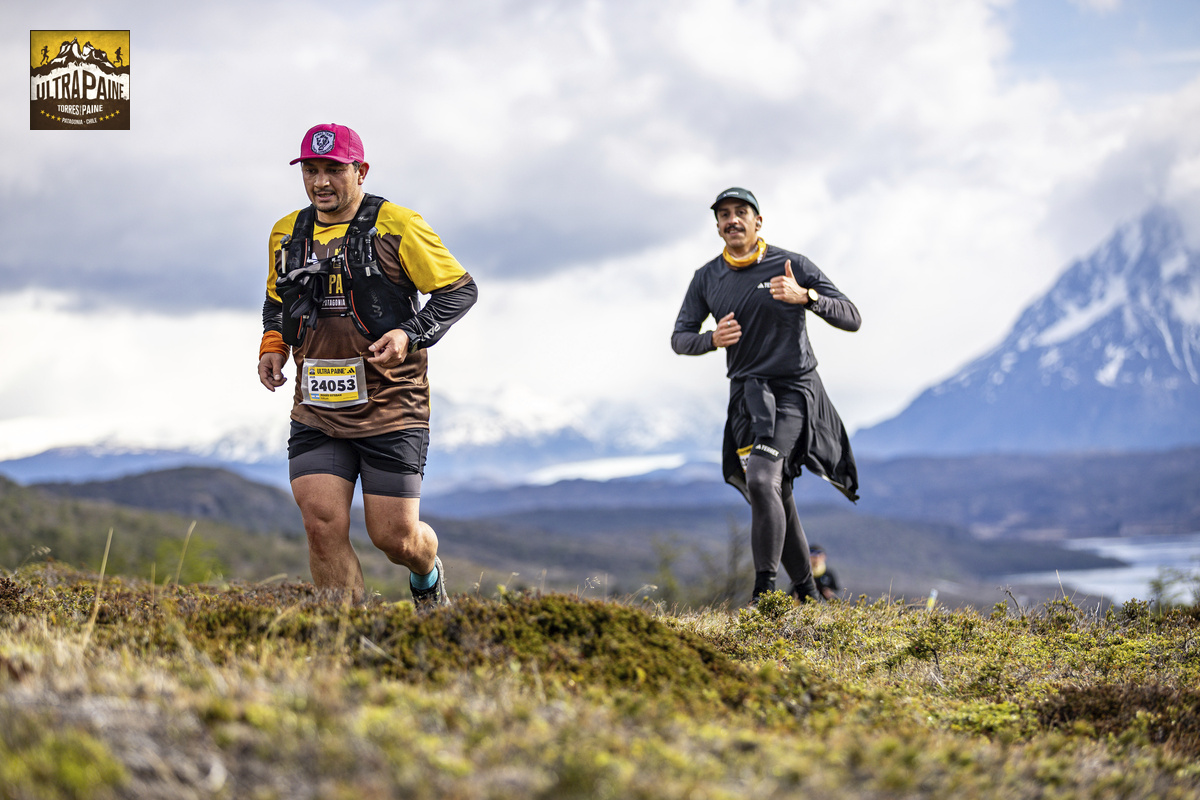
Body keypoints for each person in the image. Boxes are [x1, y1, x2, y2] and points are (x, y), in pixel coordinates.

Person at [257, 123, 477, 608]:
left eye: (334, 170)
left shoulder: (398, 225)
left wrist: (408, 333)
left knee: (395, 538)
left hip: (392, 406)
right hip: (317, 408)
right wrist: (273, 344)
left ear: (361, 171)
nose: (321, 182)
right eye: (311, 170)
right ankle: (347, 638)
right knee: (320, 524)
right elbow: (277, 300)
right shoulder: (286, 232)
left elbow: (460, 291)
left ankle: (427, 576)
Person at [672, 187, 860, 604]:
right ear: (717, 226)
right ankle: (808, 596)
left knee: (760, 477)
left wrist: (807, 297)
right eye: (724, 214)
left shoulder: (791, 265)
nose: (732, 220)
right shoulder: (706, 278)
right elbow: (679, 338)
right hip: (747, 398)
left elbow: (852, 317)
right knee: (776, 491)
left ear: (758, 221)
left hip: (793, 391)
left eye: (741, 212)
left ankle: (764, 594)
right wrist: (711, 339)